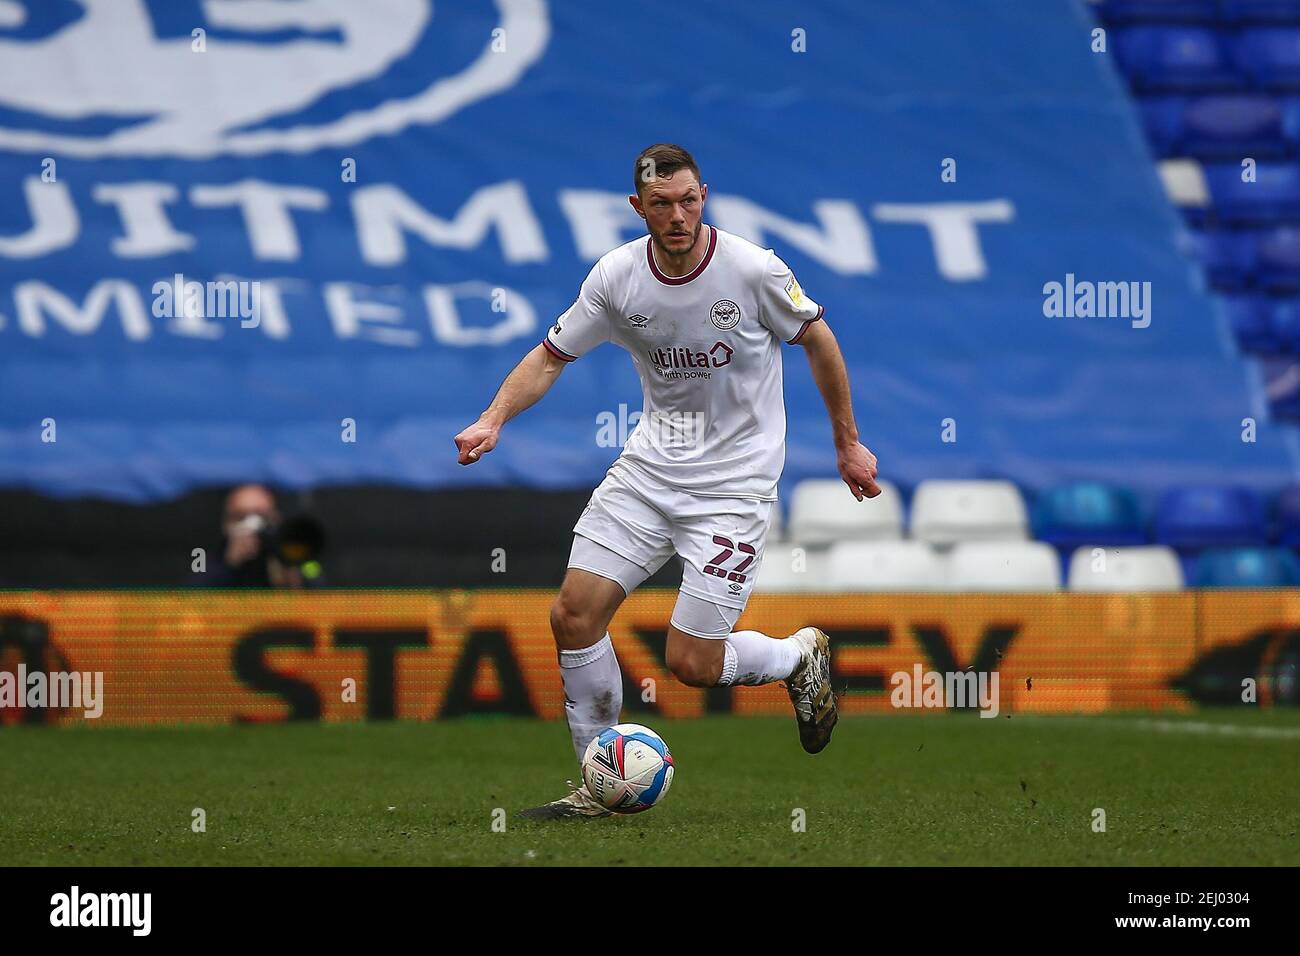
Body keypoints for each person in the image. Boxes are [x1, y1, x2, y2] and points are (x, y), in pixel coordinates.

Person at [454, 144, 880, 818]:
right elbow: (549, 355)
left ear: (703, 196)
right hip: (650, 471)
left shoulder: (753, 270)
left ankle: (800, 657)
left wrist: (848, 444)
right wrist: (492, 418)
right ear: (638, 207)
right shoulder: (617, 278)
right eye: (661, 204)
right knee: (572, 614)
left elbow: (819, 340)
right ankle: (600, 785)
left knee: (693, 664)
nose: (677, 215)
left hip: (733, 487)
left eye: (688, 201)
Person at [207, 483, 318, 588]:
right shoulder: (211, 561)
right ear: (226, 524)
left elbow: (318, 582)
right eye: (241, 516)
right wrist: (229, 565)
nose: (253, 527)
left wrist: (291, 565)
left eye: (262, 516)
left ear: (276, 518)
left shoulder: (293, 553)